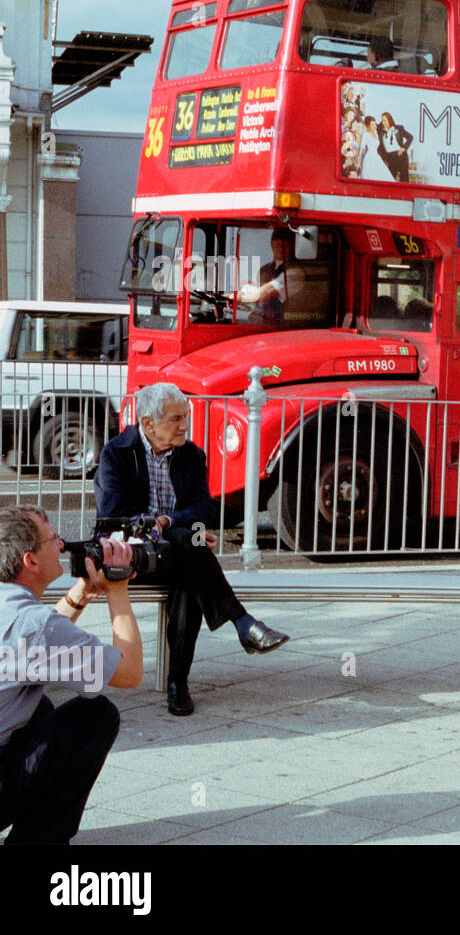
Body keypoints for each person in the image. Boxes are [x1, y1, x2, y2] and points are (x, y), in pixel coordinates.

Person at [95, 383, 290, 716]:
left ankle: (179, 683)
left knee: (189, 572)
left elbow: (205, 509)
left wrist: (169, 523)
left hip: (177, 555)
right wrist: (166, 529)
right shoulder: (117, 453)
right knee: (192, 548)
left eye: (186, 416)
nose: (185, 425)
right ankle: (240, 625)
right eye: (176, 419)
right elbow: (113, 514)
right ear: (148, 423)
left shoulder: (191, 454)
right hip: (128, 554)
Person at [0, 505, 141, 844]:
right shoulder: (33, 625)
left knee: (40, 706)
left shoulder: (14, 610)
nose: (62, 545)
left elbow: (34, 646)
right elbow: (128, 673)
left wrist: (83, 593)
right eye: (53, 539)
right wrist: (118, 589)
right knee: (96, 715)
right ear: (30, 561)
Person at [235, 227, 298, 323]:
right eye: (277, 244)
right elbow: (253, 290)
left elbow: (266, 292)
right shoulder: (264, 270)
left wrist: (236, 298)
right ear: (272, 245)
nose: (281, 248)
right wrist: (230, 296)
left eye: (285, 245)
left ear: (292, 246)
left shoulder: (295, 271)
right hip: (260, 321)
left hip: (280, 326)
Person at [378, 112, 414, 182]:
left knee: (404, 179)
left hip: (400, 155)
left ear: (389, 120)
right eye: (382, 120)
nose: (383, 122)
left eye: (384, 120)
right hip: (389, 158)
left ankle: (405, 192)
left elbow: (410, 137)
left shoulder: (399, 128)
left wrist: (404, 148)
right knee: (390, 179)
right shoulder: (381, 132)